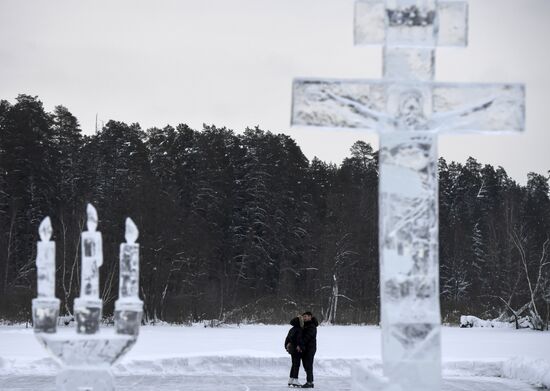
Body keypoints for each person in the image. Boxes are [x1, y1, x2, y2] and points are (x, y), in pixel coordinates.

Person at [285, 315, 304, 387]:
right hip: (296, 349)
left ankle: (291, 379)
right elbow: (299, 340)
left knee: (294, 364)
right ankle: (295, 379)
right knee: (297, 364)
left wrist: (287, 346)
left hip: (292, 349)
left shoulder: (292, 329)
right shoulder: (299, 329)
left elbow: (287, 339)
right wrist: (300, 347)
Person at [300, 311, 318, 388]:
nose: (304, 318)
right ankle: (309, 381)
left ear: (310, 317)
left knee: (309, 365)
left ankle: (310, 382)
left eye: (306, 316)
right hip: (305, 348)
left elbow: (307, 337)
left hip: (310, 348)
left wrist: (300, 344)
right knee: (305, 365)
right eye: (303, 316)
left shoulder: (312, 326)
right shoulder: (304, 325)